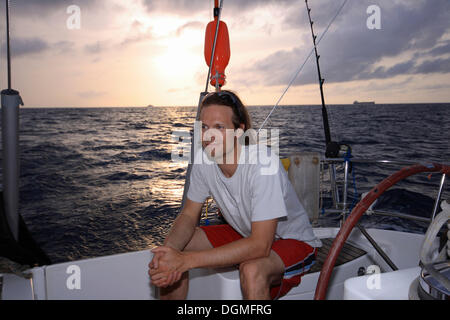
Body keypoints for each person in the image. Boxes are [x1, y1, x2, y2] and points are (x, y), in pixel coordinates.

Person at [148, 90, 321, 300]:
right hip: (246, 233)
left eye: (219, 127)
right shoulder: (204, 160)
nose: (208, 136)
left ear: (239, 131)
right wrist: (171, 254)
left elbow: (260, 244)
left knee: (252, 269)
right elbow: (188, 215)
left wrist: (186, 261)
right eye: (204, 127)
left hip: (292, 241)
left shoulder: (262, 164)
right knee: (177, 244)